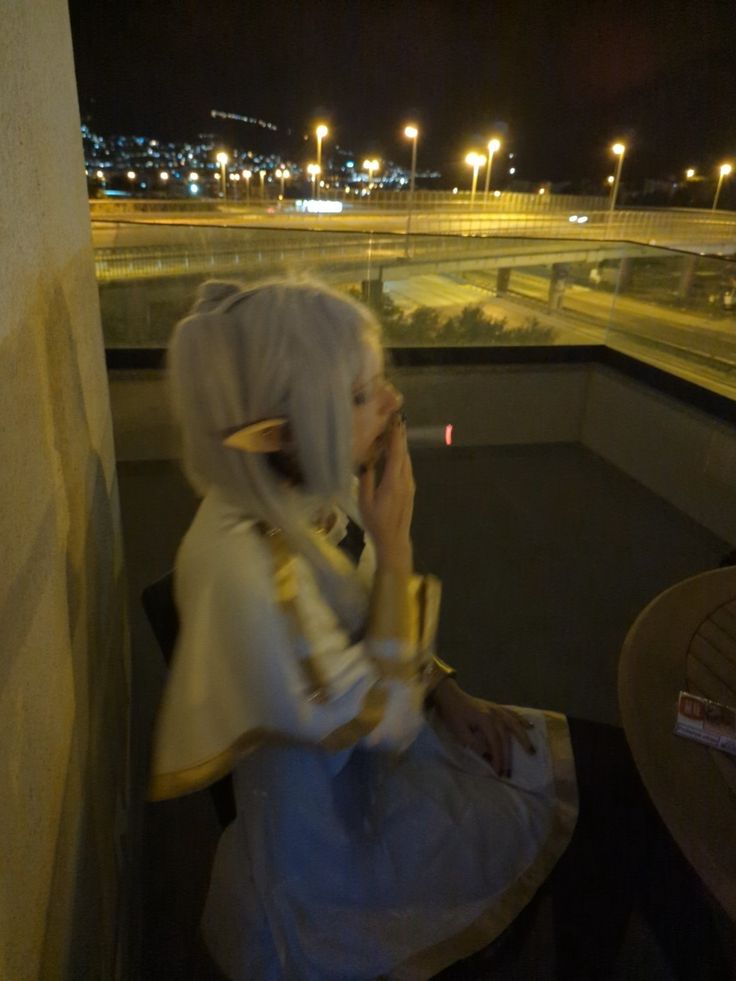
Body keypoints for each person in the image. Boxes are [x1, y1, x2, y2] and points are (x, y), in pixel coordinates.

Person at [147, 279, 727, 980]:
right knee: (614, 800)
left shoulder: (304, 488)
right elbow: (382, 723)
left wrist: (445, 690)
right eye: (360, 394)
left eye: (380, 381)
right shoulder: (248, 571)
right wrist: (396, 545)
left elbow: (369, 628)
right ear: (285, 426)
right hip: (344, 841)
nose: (393, 401)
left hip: (385, 754)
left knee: (618, 779)